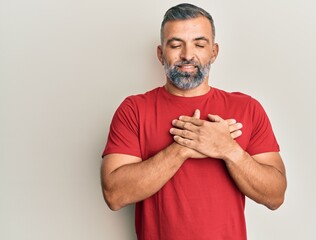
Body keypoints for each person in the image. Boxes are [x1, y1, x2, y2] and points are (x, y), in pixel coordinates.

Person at [101, 3, 287, 240]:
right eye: (176, 45)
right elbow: (114, 195)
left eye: (199, 44)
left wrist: (229, 150)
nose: (187, 55)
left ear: (214, 52)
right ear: (160, 54)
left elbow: (275, 196)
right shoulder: (134, 110)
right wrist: (183, 148)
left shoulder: (247, 108)